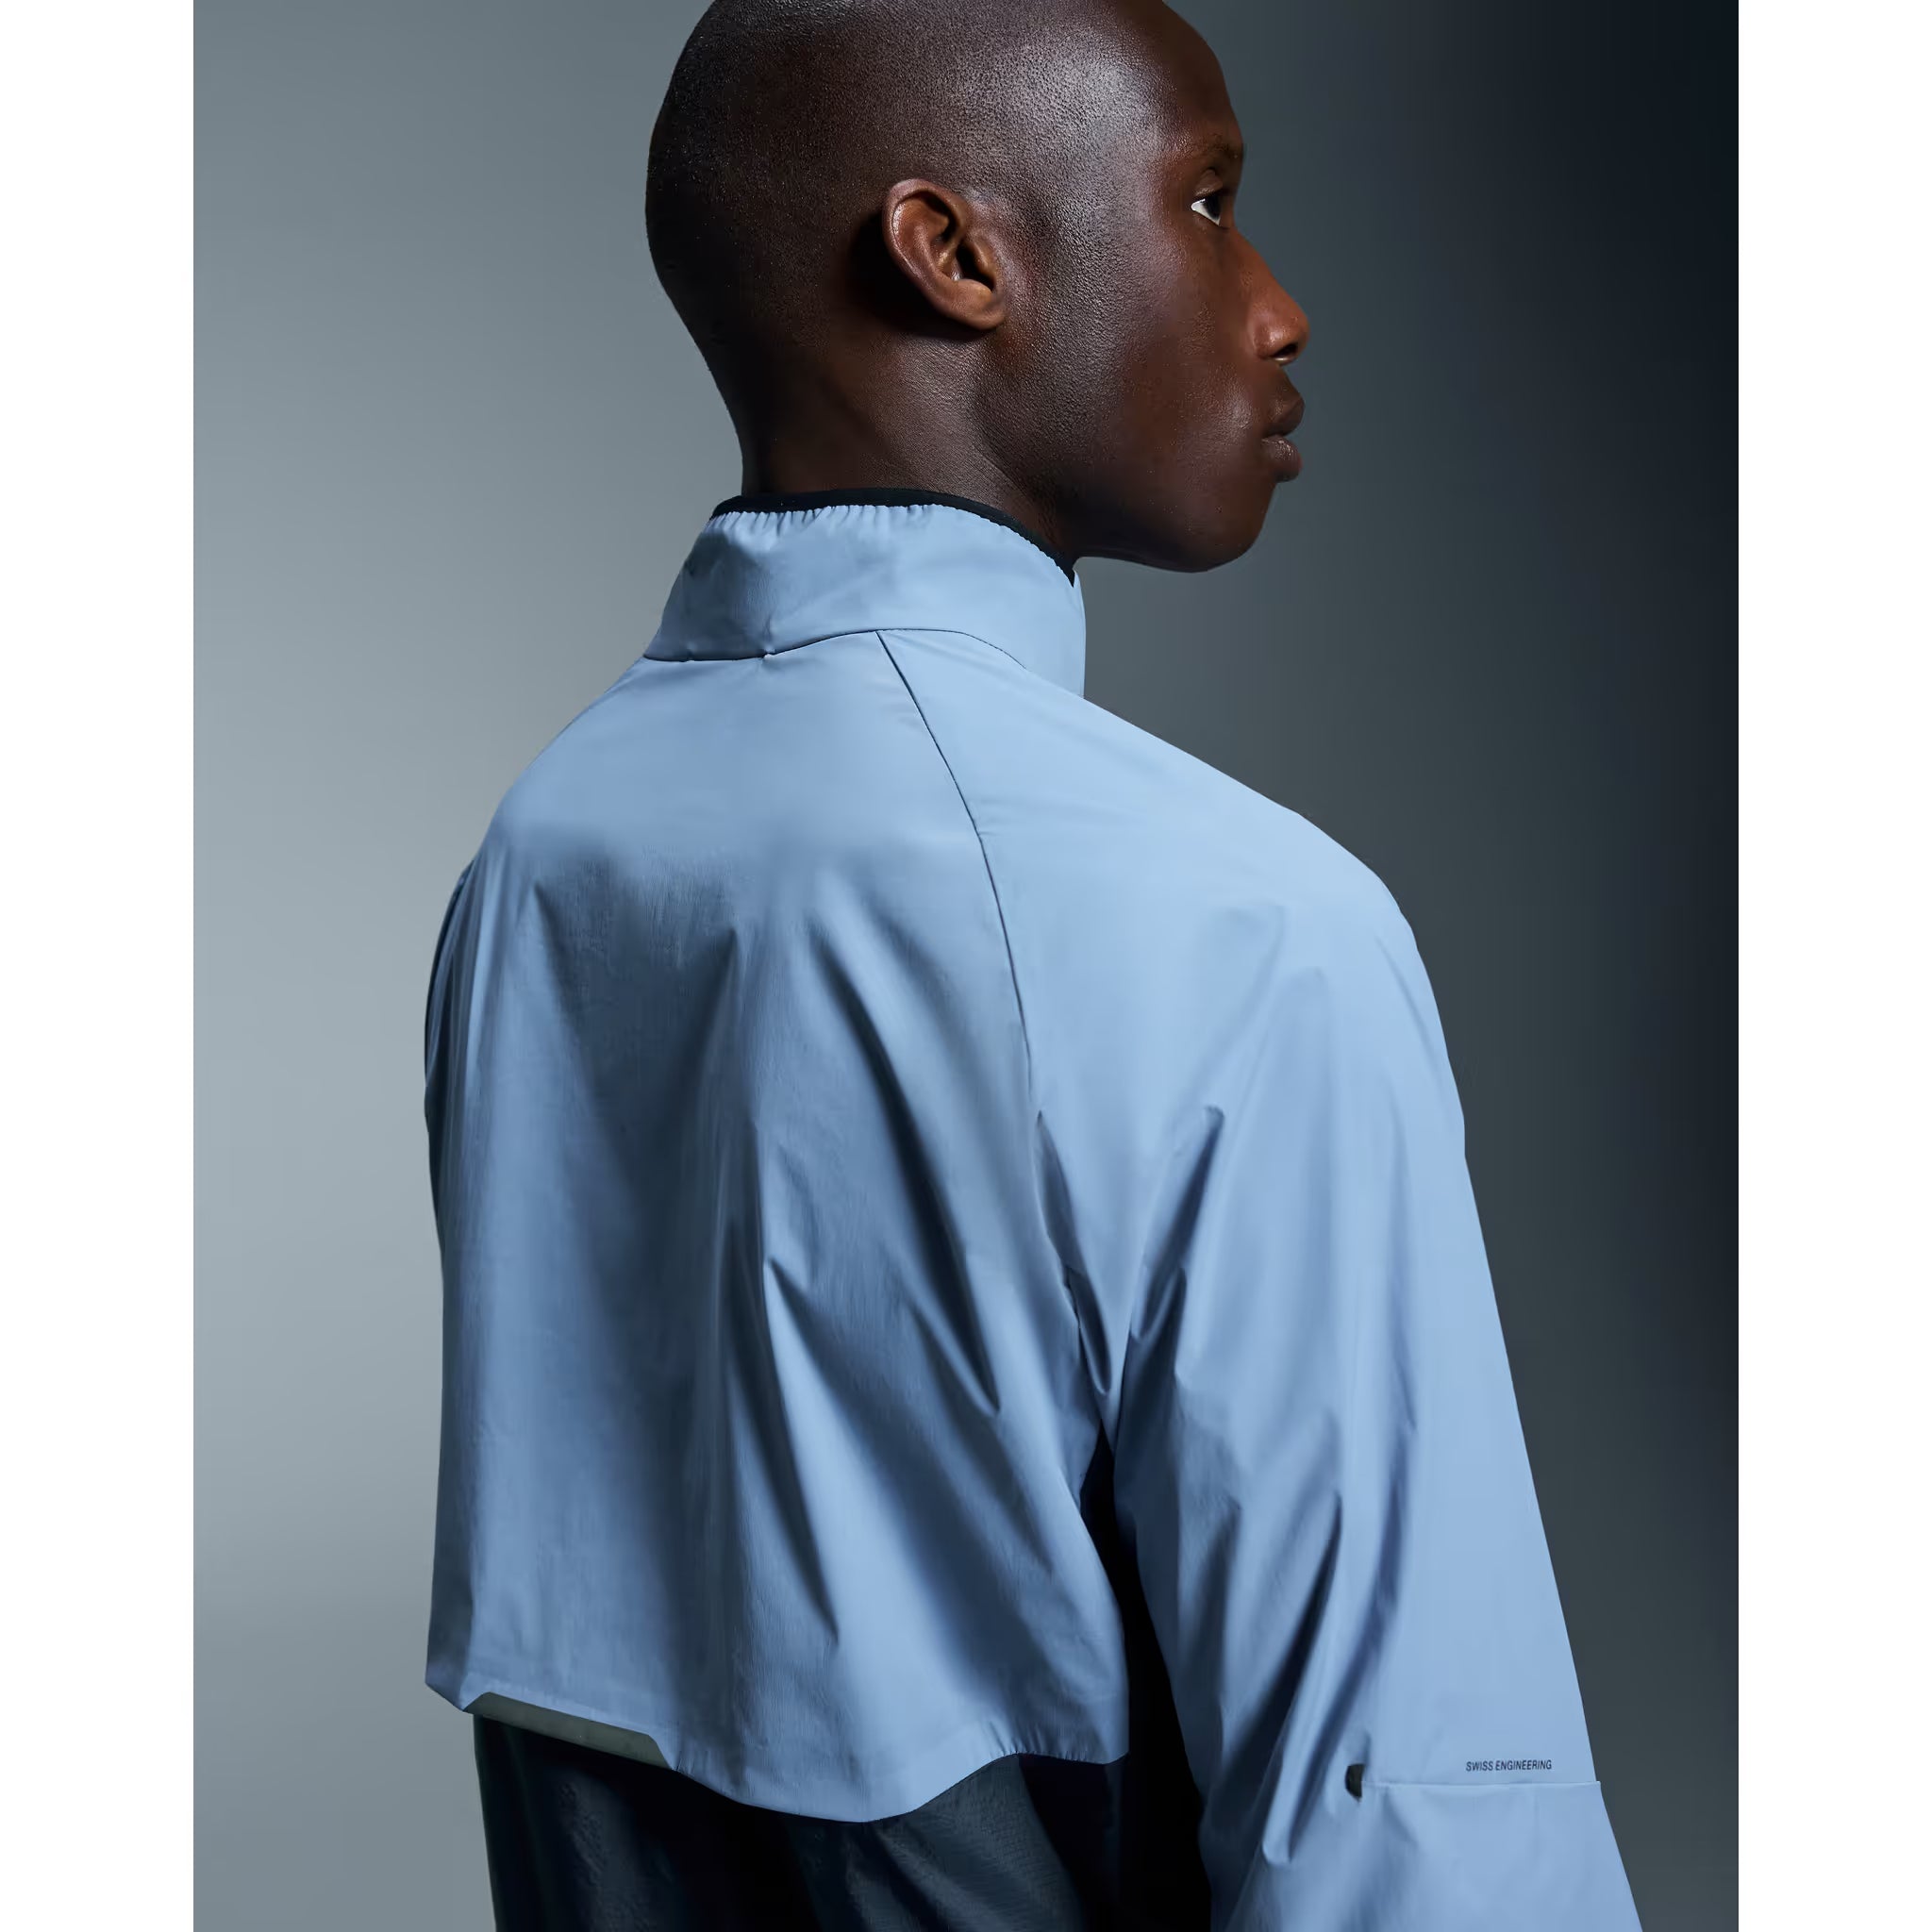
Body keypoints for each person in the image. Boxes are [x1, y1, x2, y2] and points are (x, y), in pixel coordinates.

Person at [421, 1, 1644, 1924]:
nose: (1280, 307)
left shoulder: (548, 854)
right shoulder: (1243, 926)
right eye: (1208, 201)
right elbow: (1413, 1815)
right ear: (953, 255)